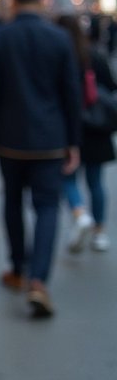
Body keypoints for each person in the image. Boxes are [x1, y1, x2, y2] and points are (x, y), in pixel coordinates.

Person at [0, 0, 81, 318]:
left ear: (14, 1)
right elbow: (71, 95)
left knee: (13, 202)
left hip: (10, 138)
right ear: (44, 0)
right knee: (48, 206)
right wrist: (73, 141)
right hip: (51, 139)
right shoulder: (60, 38)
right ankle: (38, 280)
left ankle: (18, 269)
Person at [56, 15, 116, 253]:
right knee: (96, 181)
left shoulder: (60, 57)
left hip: (69, 126)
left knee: (68, 177)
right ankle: (99, 232)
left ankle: (80, 213)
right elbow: (111, 86)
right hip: (97, 127)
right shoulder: (96, 56)